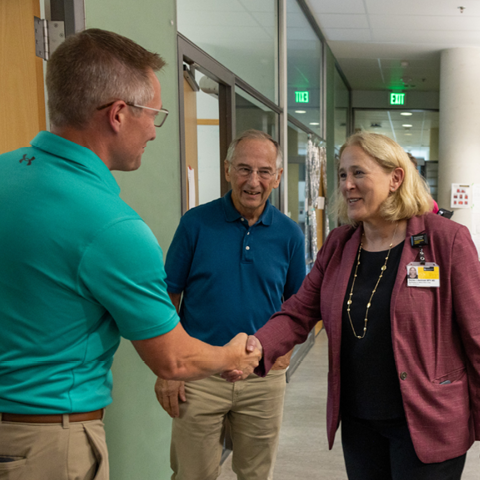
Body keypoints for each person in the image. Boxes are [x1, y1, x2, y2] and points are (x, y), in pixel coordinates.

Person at [0, 29, 260, 480]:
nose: (153, 132)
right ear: (119, 114)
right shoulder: (112, 226)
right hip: (44, 446)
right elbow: (173, 359)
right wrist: (231, 357)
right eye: (154, 114)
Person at [240, 131, 480, 479]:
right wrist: (256, 347)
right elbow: (299, 310)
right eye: (342, 174)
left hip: (429, 420)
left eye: (358, 173)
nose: (347, 184)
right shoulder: (340, 244)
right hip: (360, 422)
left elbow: (476, 334)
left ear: (395, 178)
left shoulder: (446, 241)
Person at [155, 130, 305, 480]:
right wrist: (168, 368)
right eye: (244, 169)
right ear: (227, 171)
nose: (254, 181)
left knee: (256, 474)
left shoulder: (289, 234)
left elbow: (299, 306)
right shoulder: (195, 224)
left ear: (278, 177)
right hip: (198, 375)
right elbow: (167, 298)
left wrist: (283, 352)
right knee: (193, 474)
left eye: (264, 171)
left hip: (262, 377)